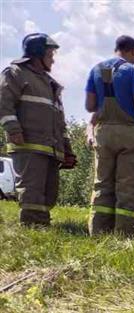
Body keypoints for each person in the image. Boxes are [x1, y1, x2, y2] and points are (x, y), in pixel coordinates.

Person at [83, 35, 134, 236]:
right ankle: (125, 234)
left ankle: (99, 232)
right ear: (133, 51)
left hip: (104, 134)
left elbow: (90, 106)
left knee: (103, 184)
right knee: (130, 187)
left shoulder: (96, 70)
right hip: (130, 135)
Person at [0, 33, 76, 226]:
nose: (53, 59)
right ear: (37, 54)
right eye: (50, 54)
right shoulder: (15, 73)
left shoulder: (50, 84)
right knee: (32, 188)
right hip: (28, 144)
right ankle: (32, 226)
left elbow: (60, 122)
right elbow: (3, 103)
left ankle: (42, 223)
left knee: (49, 191)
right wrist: (12, 128)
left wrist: (67, 149)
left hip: (51, 148)